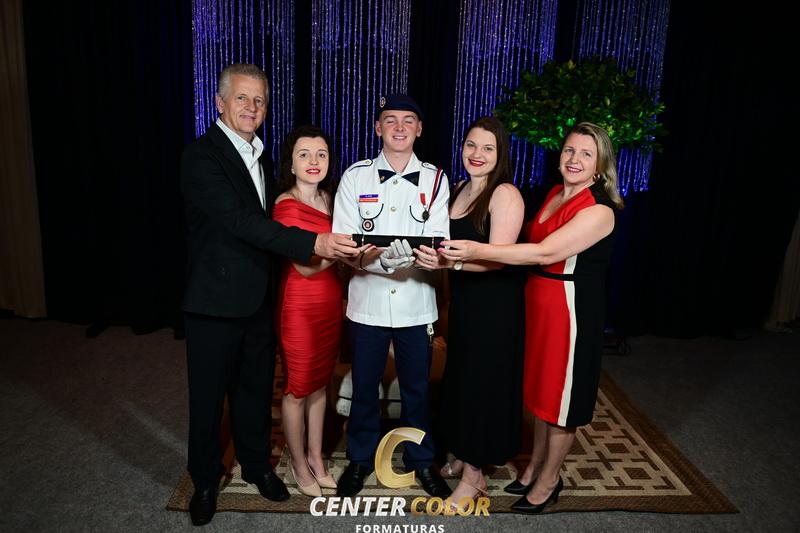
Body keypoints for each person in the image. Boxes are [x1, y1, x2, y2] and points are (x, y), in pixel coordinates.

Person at [180, 63, 358, 526]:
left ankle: (256, 465)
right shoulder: (201, 157)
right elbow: (241, 222)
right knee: (208, 399)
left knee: (255, 390)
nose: (251, 107)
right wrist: (315, 243)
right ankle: (204, 480)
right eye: (241, 98)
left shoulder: (258, 157)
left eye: (259, 100)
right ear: (220, 103)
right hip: (214, 299)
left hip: (260, 297)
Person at [439, 121, 624, 514]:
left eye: (586, 154)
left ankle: (548, 480)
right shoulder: (555, 194)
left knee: (562, 402)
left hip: (570, 309)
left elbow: (543, 253)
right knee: (540, 394)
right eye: (570, 150)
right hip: (537, 302)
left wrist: (475, 251)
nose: (574, 159)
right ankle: (534, 467)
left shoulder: (600, 210)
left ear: (601, 165)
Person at [331, 94, 452, 498]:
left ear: (419, 129)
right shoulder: (355, 176)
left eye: (408, 120)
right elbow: (345, 243)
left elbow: (438, 240)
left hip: (416, 305)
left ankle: (421, 460)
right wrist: (382, 262)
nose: (399, 127)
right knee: (365, 387)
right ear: (377, 128)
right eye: (390, 120)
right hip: (367, 303)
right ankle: (360, 458)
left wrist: (423, 258)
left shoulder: (436, 179)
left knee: (416, 389)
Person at [414, 116, 525, 510]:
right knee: (462, 380)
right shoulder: (459, 188)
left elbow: (498, 259)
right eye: (471, 145)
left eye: (488, 148)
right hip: (464, 303)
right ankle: (463, 452)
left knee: (482, 387)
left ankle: (475, 476)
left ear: (500, 154)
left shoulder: (505, 194)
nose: (477, 154)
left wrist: (449, 264)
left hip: (495, 307)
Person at [273, 125, 342, 497]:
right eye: (304, 154)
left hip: (330, 301)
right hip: (299, 304)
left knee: (319, 383)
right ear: (291, 162)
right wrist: (347, 253)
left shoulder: (331, 199)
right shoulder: (284, 204)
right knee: (298, 387)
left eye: (321, 154)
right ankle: (298, 463)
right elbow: (305, 266)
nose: (314, 161)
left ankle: (316, 457)